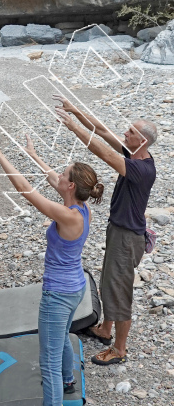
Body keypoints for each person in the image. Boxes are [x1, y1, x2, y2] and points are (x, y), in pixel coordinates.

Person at [0, 128, 103, 406]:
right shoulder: (81, 207)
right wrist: (32, 152)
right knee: (62, 335)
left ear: (72, 186)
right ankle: (68, 380)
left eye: (64, 175)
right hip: (75, 288)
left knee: (47, 363)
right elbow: (50, 177)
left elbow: (24, 190)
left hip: (58, 295)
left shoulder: (66, 215)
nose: (59, 176)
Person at [55, 97, 157, 365]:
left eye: (132, 131)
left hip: (127, 238)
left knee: (119, 290)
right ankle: (105, 330)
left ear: (142, 141)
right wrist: (75, 110)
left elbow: (103, 153)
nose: (125, 132)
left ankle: (119, 350)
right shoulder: (134, 154)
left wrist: (72, 127)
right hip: (121, 232)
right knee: (110, 281)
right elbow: (102, 131)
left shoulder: (140, 169)